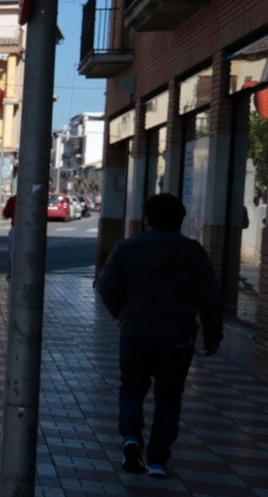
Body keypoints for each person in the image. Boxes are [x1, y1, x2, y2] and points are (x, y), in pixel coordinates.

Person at [95, 192, 222, 477]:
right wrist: (213, 335)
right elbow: (210, 298)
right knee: (169, 396)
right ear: (181, 220)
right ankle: (157, 460)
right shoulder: (193, 252)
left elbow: (104, 286)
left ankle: (131, 438)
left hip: (135, 331)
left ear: (148, 220)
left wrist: (121, 314)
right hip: (177, 335)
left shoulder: (127, 248)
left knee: (131, 388)